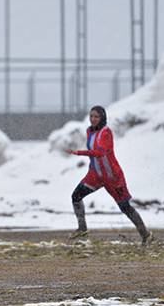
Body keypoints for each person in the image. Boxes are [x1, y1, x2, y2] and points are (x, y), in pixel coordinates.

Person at [65, 105, 153, 245]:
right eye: (91, 116)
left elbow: (100, 152)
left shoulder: (106, 132)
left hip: (113, 177)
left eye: (96, 116)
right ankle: (82, 228)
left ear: (102, 118)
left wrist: (79, 152)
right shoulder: (89, 131)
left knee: (125, 207)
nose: (93, 119)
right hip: (95, 175)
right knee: (76, 196)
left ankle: (146, 234)